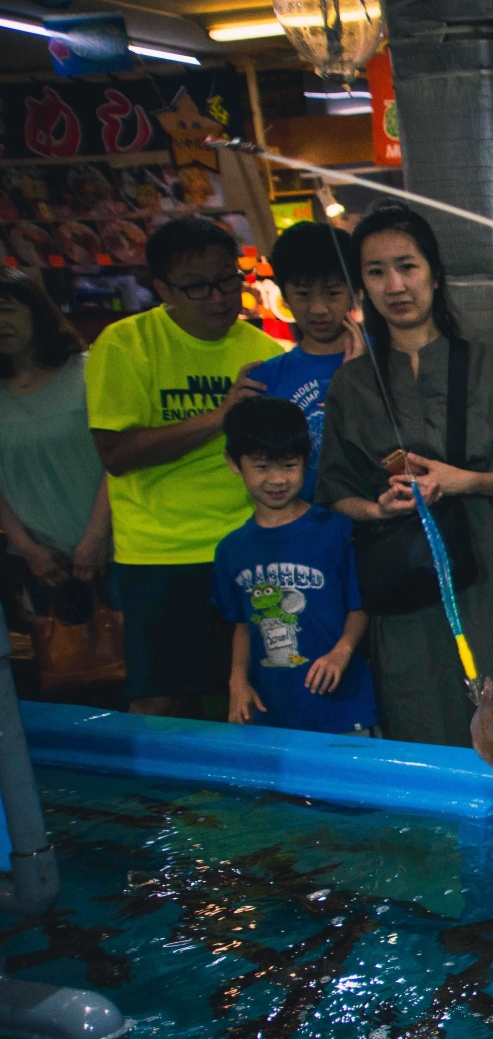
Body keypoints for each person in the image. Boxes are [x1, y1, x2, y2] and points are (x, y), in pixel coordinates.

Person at [318, 205, 493, 758]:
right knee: (421, 711)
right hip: (400, 574)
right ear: (361, 286)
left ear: (434, 273)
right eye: (375, 272)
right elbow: (336, 489)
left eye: (407, 266)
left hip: (487, 568)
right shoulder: (350, 383)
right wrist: (380, 509)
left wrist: (463, 480)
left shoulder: (485, 364)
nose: (395, 285)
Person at [86, 217, 281, 717]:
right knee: (161, 701)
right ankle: (157, 799)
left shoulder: (261, 351)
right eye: (198, 287)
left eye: (227, 280)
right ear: (163, 290)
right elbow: (116, 454)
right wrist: (221, 416)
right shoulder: (125, 344)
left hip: (247, 546)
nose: (218, 297)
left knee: (250, 696)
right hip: (160, 556)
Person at [212, 397, 374, 735]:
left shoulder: (336, 529)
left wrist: (340, 653)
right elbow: (240, 624)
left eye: (289, 465)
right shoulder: (231, 549)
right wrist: (237, 681)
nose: (276, 479)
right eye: (261, 467)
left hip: (343, 708)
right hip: (272, 712)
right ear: (233, 463)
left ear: (306, 459)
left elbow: (361, 605)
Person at [0, 270, 105, 633]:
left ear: (35, 311)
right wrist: (27, 548)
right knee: (67, 674)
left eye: (7, 310)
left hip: (115, 549)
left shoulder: (90, 373)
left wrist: (95, 538)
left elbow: (116, 461)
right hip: (43, 565)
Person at [241, 221, 365, 489]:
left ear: (356, 293)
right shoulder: (264, 380)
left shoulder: (387, 360)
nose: (318, 309)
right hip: (304, 524)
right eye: (303, 294)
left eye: (332, 293)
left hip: (380, 519)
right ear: (284, 296)